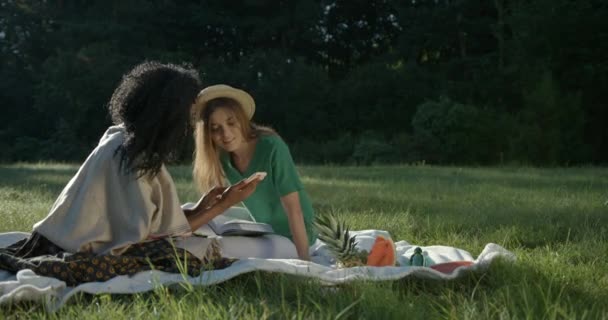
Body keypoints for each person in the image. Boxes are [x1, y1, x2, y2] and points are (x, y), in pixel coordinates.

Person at [0, 62, 258, 285]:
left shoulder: (121, 136)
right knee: (197, 250)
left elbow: (154, 218)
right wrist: (224, 204)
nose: (190, 121)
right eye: (188, 112)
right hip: (74, 247)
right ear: (169, 113)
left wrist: (202, 206)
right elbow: (151, 234)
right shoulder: (134, 158)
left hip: (58, 237)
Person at [192, 84, 315, 260]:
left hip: (292, 237)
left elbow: (295, 211)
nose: (225, 134)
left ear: (241, 119)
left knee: (220, 246)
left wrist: (305, 263)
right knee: (188, 209)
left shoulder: (272, 147)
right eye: (215, 128)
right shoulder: (223, 156)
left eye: (231, 123)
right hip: (263, 227)